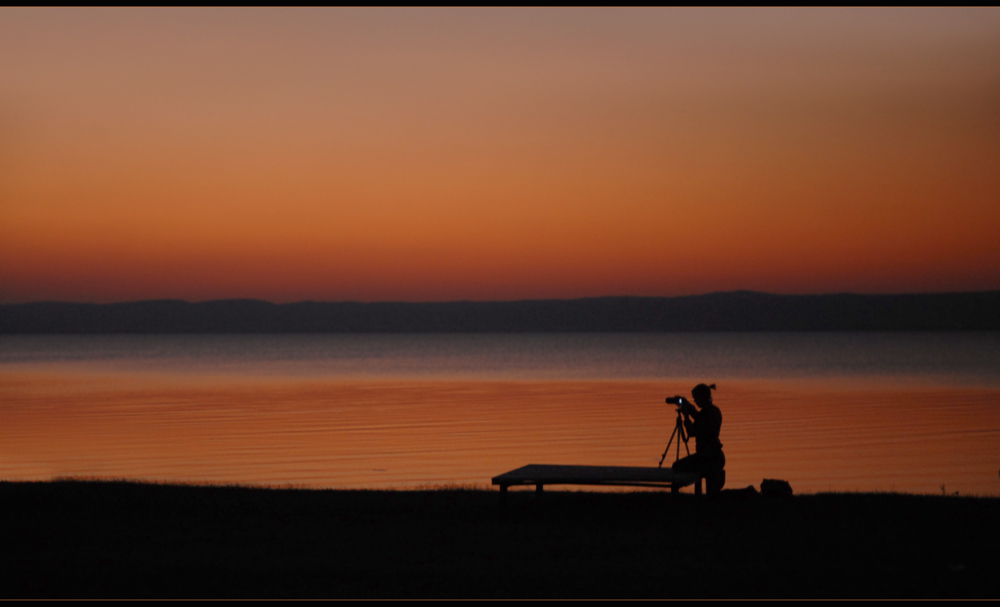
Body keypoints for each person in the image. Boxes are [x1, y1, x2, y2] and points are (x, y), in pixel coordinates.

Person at [672, 383, 726, 494]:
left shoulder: (705, 414)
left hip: (706, 458)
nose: (695, 401)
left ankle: (676, 496)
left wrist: (686, 416)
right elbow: (699, 419)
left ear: (702, 397)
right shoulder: (715, 410)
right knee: (712, 493)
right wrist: (689, 406)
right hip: (717, 456)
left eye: (696, 398)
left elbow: (692, 432)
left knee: (676, 466)